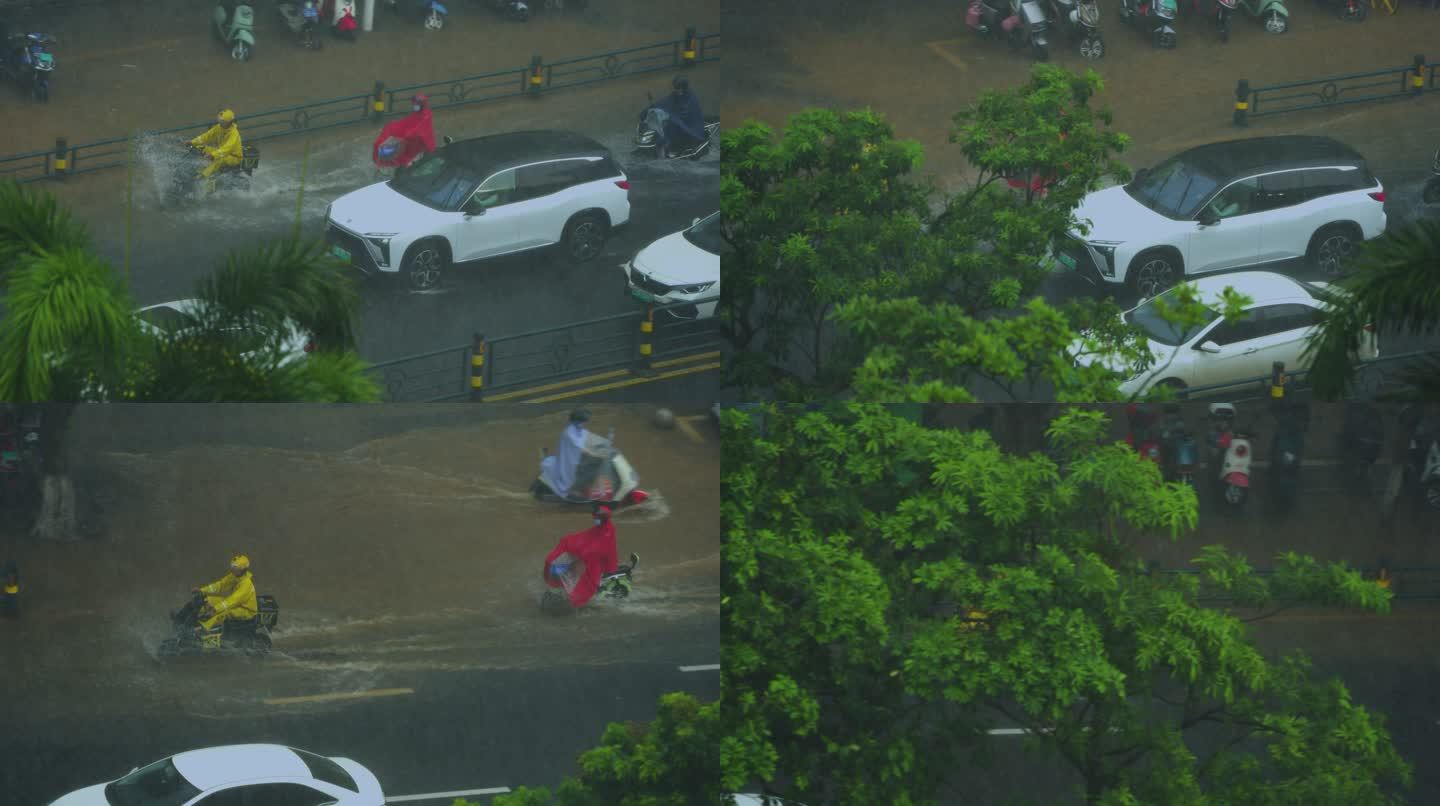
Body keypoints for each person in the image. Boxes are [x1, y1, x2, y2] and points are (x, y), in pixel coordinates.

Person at [542, 505, 620, 608]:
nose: (595, 519)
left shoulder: (608, 530)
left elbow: (601, 546)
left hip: (599, 558)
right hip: (590, 555)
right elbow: (586, 537)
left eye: (597, 518)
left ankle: (580, 592)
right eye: (594, 517)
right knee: (567, 542)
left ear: (602, 518)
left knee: (585, 570)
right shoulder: (598, 528)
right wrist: (570, 541)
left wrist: (587, 551)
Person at [192, 554, 257, 637]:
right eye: (232, 566)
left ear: (242, 569)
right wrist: (202, 590)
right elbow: (220, 585)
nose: (232, 569)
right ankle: (197, 618)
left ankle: (202, 630)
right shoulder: (234, 576)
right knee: (209, 600)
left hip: (245, 610)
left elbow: (232, 601)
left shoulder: (246, 584)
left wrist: (215, 609)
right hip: (236, 604)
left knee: (222, 614)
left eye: (235, 567)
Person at [373, 92, 437, 170]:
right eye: (414, 104)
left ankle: (408, 164)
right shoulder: (416, 113)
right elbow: (407, 122)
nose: (414, 106)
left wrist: (409, 134)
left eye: (416, 104)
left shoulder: (426, 115)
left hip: (420, 141)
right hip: (411, 139)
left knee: (407, 153)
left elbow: (422, 127)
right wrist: (393, 126)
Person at [540, 408, 593, 499]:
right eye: (583, 421)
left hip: (575, 458)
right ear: (576, 421)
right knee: (582, 472)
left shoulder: (579, 429)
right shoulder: (569, 433)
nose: (584, 424)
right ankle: (571, 492)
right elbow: (579, 446)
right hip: (569, 461)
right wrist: (591, 452)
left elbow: (588, 437)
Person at [652, 75, 705, 159]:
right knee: (667, 125)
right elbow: (665, 101)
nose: (677, 91)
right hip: (677, 119)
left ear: (684, 88)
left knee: (673, 126)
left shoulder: (691, 98)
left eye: (679, 88)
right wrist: (653, 107)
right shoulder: (675, 95)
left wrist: (672, 116)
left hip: (691, 125)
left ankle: (674, 149)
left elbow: (686, 113)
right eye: (676, 88)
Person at [187, 108, 244, 180]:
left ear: (228, 122)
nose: (220, 122)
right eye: (220, 120)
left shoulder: (234, 133)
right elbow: (206, 136)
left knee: (219, 160)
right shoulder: (219, 127)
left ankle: (202, 176)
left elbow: (227, 148)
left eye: (222, 121)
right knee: (200, 147)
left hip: (234, 157)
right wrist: (192, 142)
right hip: (221, 152)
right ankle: (190, 165)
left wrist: (213, 155)